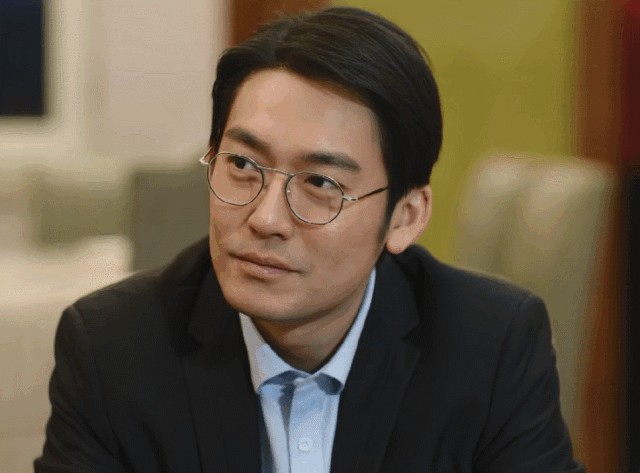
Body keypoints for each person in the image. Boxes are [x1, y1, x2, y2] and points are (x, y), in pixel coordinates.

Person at [35, 7, 584, 473]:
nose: (266, 217)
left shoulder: (490, 348)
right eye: (242, 165)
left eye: (321, 183)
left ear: (405, 217)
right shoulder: (113, 352)